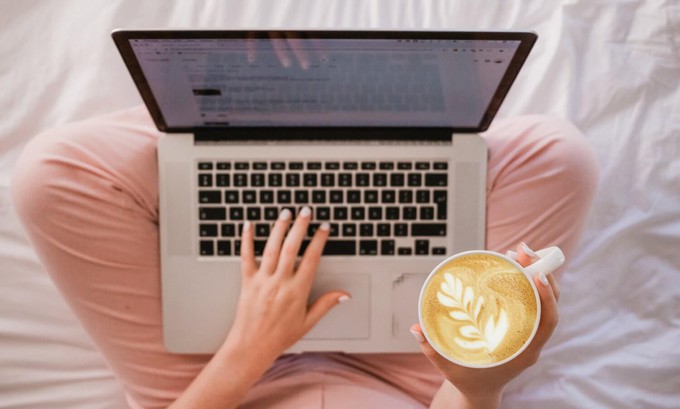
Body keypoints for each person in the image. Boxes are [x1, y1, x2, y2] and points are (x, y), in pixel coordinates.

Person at [11, 106, 598, 409]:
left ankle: (241, 116)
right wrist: (477, 386)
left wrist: (249, 347)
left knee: (52, 175)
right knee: (559, 156)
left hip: (214, 382)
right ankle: (357, 122)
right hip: (418, 388)